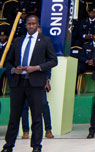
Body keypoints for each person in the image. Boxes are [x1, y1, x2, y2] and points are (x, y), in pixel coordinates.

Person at [3, 14, 57, 152]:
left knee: (36, 116)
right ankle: (8, 146)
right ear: (25, 25)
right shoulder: (18, 41)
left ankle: (36, 146)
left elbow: (53, 61)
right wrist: (13, 69)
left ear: (38, 24)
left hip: (36, 83)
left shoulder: (45, 40)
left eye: (33, 23)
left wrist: (37, 68)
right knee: (14, 116)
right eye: (29, 24)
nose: (31, 26)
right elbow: (8, 61)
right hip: (18, 83)